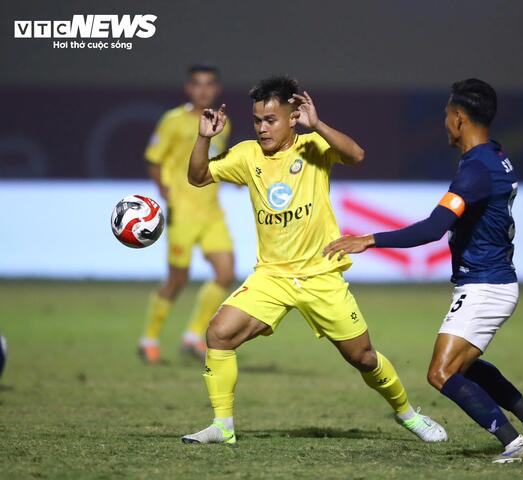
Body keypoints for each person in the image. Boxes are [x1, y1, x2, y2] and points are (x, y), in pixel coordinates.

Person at [181, 75, 446, 445]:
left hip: (321, 274)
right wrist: (205, 137)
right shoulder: (246, 155)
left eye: (271, 120)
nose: (262, 128)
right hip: (271, 276)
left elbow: (357, 155)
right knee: (218, 334)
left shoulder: (313, 148)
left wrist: (319, 124)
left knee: (364, 358)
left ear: (293, 118)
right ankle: (222, 426)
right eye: (257, 120)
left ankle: (408, 414)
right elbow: (197, 176)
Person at [324, 79, 523, 463]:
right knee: (467, 366)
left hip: (485, 286)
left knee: (442, 374)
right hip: (494, 280)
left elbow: (434, 228)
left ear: (460, 118)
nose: (444, 123)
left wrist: (368, 240)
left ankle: (516, 445)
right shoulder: (496, 155)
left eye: (447, 116)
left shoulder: (476, 170)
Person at [139, 64, 236, 364]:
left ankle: (194, 336)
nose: (203, 90)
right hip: (182, 211)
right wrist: (165, 191)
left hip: (212, 212)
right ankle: (149, 338)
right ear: (188, 88)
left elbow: (215, 161)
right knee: (178, 279)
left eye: (209, 84)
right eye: (197, 84)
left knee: (226, 273)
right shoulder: (173, 121)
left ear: (216, 89)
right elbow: (153, 159)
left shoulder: (223, 122)